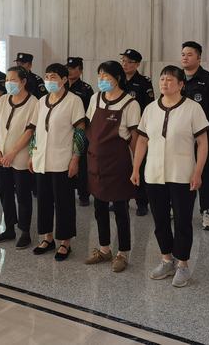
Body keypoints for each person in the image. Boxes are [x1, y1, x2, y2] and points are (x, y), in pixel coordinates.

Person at [131, 65, 209, 288]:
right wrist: (136, 168)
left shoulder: (193, 108)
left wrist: (198, 172)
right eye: (162, 79)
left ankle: (182, 264)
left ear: (181, 84)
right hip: (154, 173)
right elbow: (142, 141)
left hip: (182, 174)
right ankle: (166, 259)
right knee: (160, 220)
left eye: (170, 80)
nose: (164, 83)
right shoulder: (150, 109)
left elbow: (203, 143)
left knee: (183, 221)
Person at [84, 61, 140, 273]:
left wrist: (137, 166)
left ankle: (123, 253)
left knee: (120, 209)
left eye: (106, 76)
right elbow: (89, 127)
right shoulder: (95, 98)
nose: (101, 80)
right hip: (96, 161)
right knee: (99, 208)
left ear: (117, 78)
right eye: (99, 75)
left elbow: (135, 138)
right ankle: (104, 249)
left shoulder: (130, 103)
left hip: (118, 163)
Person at [29, 63, 86, 261]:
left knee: (64, 203)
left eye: (53, 77)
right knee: (43, 201)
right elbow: (35, 130)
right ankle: (47, 238)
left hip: (63, 160)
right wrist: (32, 153)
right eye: (47, 76)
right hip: (41, 159)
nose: (49, 80)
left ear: (64, 80)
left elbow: (80, 130)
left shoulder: (73, 101)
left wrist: (76, 159)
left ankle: (65, 242)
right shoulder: (41, 101)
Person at [0, 66, 38, 248]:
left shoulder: (33, 102)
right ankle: (9, 228)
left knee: (23, 195)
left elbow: (29, 131)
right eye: (7, 80)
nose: (9, 83)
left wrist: (13, 153)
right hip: (1, 156)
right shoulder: (3, 99)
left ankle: (25, 231)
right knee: (5, 192)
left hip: (20, 157)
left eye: (13, 80)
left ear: (23, 81)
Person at [179, 41, 209, 231]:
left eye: (189, 54)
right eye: (183, 54)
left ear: (199, 57)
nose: (185, 57)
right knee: (180, 170)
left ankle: (206, 211)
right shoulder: (176, 77)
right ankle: (178, 207)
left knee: (203, 172)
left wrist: (198, 120)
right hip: (179, 134)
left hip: (201, 134)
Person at [121, 48, 154, 216]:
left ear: (137, 64)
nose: (125, 64)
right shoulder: (118, 80)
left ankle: (142, 202)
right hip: (121, 129)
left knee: (139, 165)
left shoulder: (144, 82)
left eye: (129, 62)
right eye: (123, 61)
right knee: (123, 165)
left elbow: (149, 107)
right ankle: (122, 199)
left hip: (139, 130)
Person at [67, 56, 94, 206]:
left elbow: (90, 112)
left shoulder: (86, 89)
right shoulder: (62, 86)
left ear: (80, 70)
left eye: (73, 68)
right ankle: (67, 190)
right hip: (65, 130)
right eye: (68, 68)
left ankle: (84, 194)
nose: (69, 71)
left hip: (81, 129)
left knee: (82, 164)